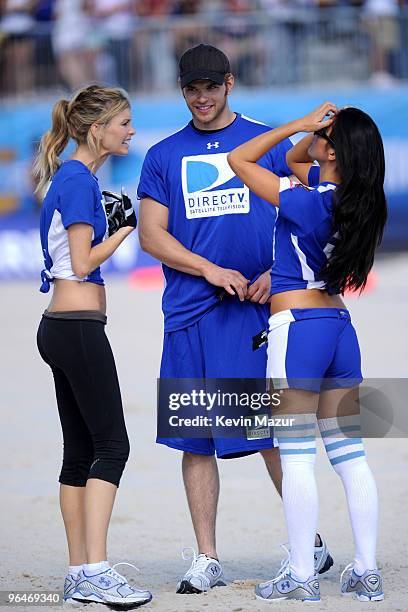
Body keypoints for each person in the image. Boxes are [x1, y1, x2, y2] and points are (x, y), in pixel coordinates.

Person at [138, 43, 333, 594]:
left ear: (230, 83)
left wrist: (280, 271)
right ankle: (207, 557)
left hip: (257, 311)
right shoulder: (163, 155)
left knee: (270, 432)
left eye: (210, 86)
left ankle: (310, 546)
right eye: (190, 88)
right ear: (183, 91)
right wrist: (209, 269)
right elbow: (154, 235)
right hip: (190, 312)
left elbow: (311, 215)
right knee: (195, 440)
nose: (201, 97)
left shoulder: (268, 142)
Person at [228, 102, 387, 602]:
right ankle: (366, 570)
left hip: (297, 328)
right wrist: (321, 140)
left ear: (334, 150)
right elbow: (300, 164)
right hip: (339, 327)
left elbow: (240, 159)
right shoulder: (353, 200)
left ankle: (300, 575)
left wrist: (299, 125)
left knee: (296, 458)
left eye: (326, 136)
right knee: (349, 456)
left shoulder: (309, 201)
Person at [34, 84, 153, 608]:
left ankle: (80, 570)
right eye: (123, 122)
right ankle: (96, 570)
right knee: (113, 447)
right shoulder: (79, 180)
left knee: (79, 452)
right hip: (78, 327)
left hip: (60, 326)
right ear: (95, 129)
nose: (130, 131)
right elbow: (82, 263)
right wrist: (125, 229)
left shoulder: (72, 177)